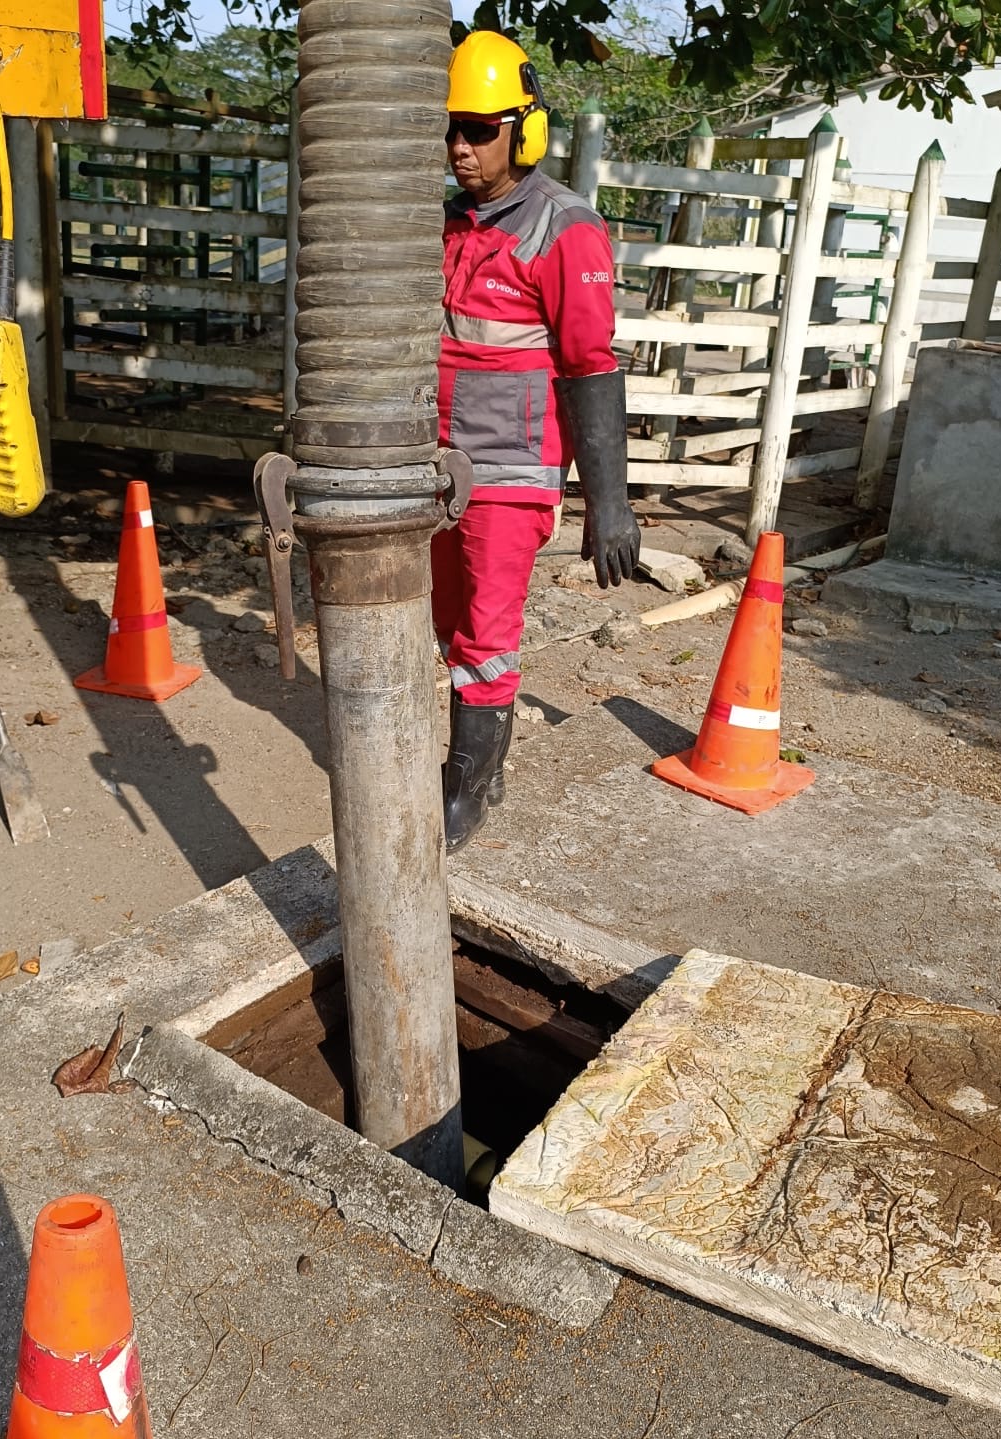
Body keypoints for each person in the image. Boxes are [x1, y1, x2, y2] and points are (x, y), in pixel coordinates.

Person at [434, 30, 640, 854]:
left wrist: (610, 502)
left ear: (524, 133)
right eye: (453, 127)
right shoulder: (447, 224)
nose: (461, 146)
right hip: (436, 464)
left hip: (511, 471)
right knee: (447, 625)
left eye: (480, 130)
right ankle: (479, 758)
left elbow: (592, 367)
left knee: (485, 632)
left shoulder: (566, 231)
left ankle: (470, 788)